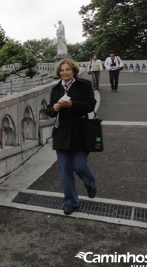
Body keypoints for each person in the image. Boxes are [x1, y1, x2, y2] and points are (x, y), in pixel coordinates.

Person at [47, 58, 97, 216]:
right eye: (61, 70)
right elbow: (49, 111)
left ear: (73, 71)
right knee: (65, 169)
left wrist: (73, 105)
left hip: (80, 132)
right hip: (61, 134)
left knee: (80, 165)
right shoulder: (56, 89)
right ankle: (71, 202)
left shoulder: (84, 85)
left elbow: (90, 105)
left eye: (67, 69)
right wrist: (54, 108)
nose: (64, 72)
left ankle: (90, 183)